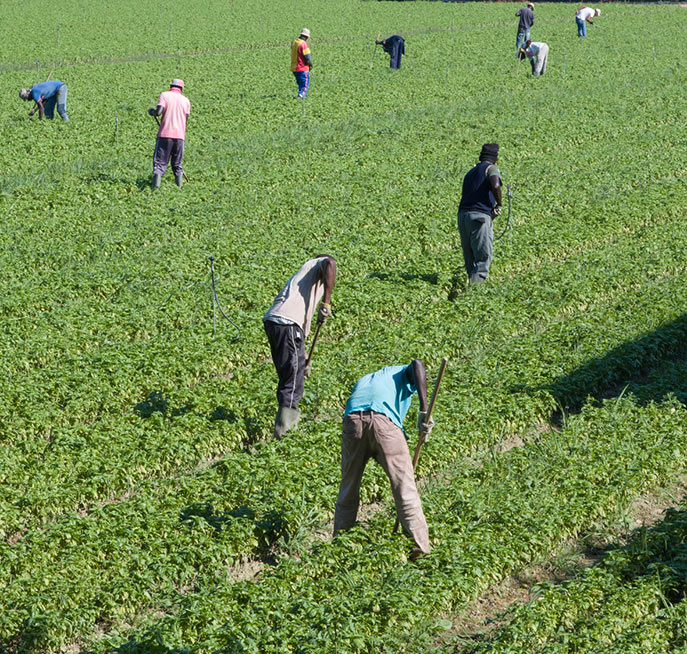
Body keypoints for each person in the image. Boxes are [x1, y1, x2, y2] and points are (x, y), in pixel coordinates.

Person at [334, 360, 434, 560]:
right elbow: (418, 364)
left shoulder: (368, 380)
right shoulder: (400, 372)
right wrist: (424, 409)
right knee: (404, 488)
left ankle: (339, 548)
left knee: (348, 487)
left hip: (352, 422)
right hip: (384, 422)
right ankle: (420, 550)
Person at [263, 255, 336, 438]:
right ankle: (285, 434)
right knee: (293, 379)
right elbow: (331, 263)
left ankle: (284, 426)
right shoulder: (321, 263)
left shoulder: (304, 278)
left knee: (292, 373)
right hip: (287, 323)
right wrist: (326, 302)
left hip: (276, 323)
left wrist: (302, 359)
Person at [457, 143, 503, 285]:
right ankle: (474, 293)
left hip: (463, 217)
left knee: (470, 259)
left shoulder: (471, 172)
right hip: (479, 217)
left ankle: (469, 285)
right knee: (483, 258)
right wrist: (499, 203)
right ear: (495, 157)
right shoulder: (491, 169)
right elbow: (495, 185)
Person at [148, 79, 190, 189]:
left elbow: (158, 112)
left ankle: (155, 188)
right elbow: (185, 120)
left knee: (159, 163)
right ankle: (179, 188)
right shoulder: (186, 101)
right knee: (177, 164)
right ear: (181, 89)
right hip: (180, 136)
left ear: (171, 86)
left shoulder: (165, 95)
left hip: (165, 135)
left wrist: (151, 111)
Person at [291, 28, 313, 99]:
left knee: (300, 85)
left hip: (294, 68)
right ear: (306, 37)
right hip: (302, 68)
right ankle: (300, 98)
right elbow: (307, 57)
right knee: (304, 86)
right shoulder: (303, 44)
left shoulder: (295, 42)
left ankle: (299, 96)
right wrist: (310, 65)